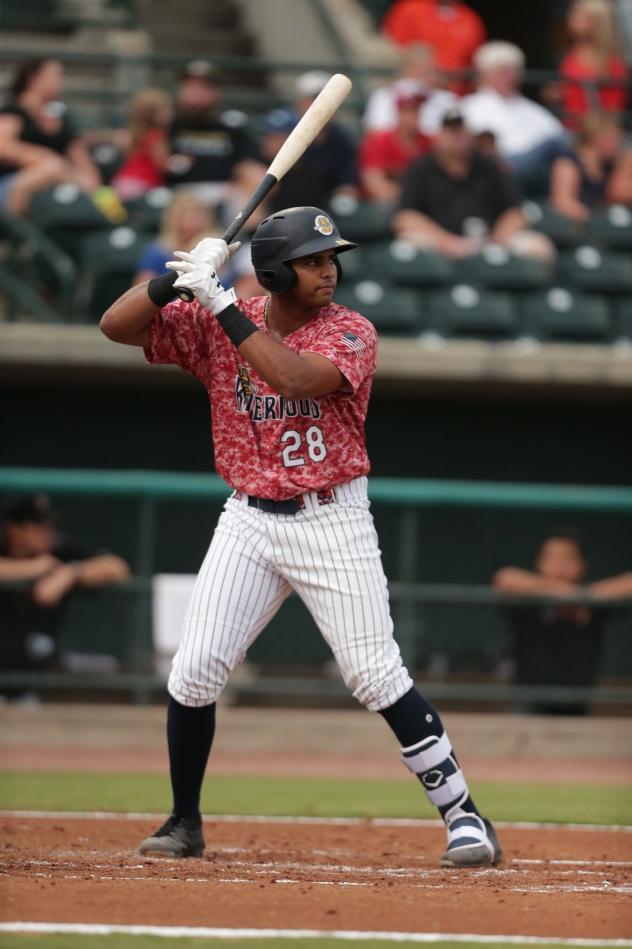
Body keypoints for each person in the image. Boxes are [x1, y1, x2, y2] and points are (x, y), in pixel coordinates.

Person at [100, 206, 503, 869]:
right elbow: (115, 326)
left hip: (330, 516)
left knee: (374, 674)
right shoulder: (218, 312)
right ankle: (184, 820)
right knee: (194, 670)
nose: (328, 271)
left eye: (329, 258)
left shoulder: (350, 330)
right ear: (274, 271)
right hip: (249, 517)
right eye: (313, 261)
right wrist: (172, 279)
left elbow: (291, 376)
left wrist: (221, 302)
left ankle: (465, 816)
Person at [493, 529, 632, 715]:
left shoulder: (591, 604)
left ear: (581, 565)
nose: (559, 566)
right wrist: (564, 593)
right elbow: (505, 578)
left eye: (567, 559)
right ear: (540, 562)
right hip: (530, 703)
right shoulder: (530, 602)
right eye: (552, 558)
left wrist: (583, 597)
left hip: (577, 705)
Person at [0, 494, 130, 686]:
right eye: (36, 526)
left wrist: (70, 572)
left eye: (47, 525)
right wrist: (35, 568)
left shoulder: (59, 549)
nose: (45, 532)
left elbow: (118, 568)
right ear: (13, 529)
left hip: (33, 681)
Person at [393, 108, 554, 261]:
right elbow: (405, 217)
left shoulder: (489, 167)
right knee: (407, 245)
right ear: (438, 135)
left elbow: (515, 212)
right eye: (450, 131)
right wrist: (447, 242)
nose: (456, 137)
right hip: (440, 242)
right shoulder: (420, 169)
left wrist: (497, 240)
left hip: (490, 240)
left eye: (460, 130)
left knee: (538, 246)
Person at [0, 57, 101, 215]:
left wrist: (68, 173)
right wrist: (43, 159)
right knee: (45, 172)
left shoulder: (62, 120)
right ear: (33, 78)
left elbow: (85, 168)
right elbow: (3, 147)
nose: (60, 81)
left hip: (59, 186)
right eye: (54, 75)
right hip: (12, 184)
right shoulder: (14, 111)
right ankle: (13, 234)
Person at [460, 42, 569, 178]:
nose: (508, 77)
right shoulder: (470, 106)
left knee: (566, 142)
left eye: (512, 71)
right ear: (484, 74)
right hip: (501, 164)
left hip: (541, 165)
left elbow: (556, 132)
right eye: (501, 72)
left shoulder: (529, 107)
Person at [167, 59, 263, 206]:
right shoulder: (167, 125)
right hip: (175, 195)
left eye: (204, 87)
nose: (196, 93)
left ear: (216, 92)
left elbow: (249, 166)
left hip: (222, 193)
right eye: (190, 87)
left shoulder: (231, 127)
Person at [133, 190, 259, 299]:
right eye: (193, 214)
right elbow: (142, 293)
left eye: (203, 214)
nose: (200, 220)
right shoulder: (158, 251)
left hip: (216, 313)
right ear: (176, 218)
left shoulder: (219, 246)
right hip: (172, 313)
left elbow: (237, 286)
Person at [262, 72, 358, 213]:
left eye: (326, 99)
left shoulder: (340, 137)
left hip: (322, 203)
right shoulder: (284, 126)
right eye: (313, 99)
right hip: (282, 197)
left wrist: (345, 191)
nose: (320, 105)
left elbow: (346, 181)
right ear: (299, 101)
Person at [382, 0, 486, 88]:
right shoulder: (410, 9)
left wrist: (448, 76)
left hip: (454, 92)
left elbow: (474, 64)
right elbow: (392, 49)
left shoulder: (470, 19)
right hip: (413, 91)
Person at [550, 112, 632, 223]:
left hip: (601, 221)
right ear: (596, 138)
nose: (617, 144)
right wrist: (594, 220)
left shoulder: (609, 164)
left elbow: (618, 193)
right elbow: (562, 202)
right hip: (574, 225)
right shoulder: (568, 163)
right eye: (612, 139)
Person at [558, 0, 629, 128]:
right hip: (570, 128)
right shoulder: (573, 52)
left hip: (593, 135)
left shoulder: (612, 63)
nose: (571, 19)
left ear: (596, 22)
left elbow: (613, 110)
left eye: (578, 15)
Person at [363, 43, 457, 137]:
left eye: (428, 69)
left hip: (435, 149)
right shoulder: (384, 96)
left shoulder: (446, 99)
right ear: (405, 70)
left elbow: (454, 136)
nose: (424, 75)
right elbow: (376, 133)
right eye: (417, 69)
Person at [359, 92, 430, 202]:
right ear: (399, 113)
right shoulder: (381, 140)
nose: (414, 115)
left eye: (417, 110)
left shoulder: (428, 141)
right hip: (382, 205)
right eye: (409, 111)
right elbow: (373, 181)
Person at [111, 88, 173, 201]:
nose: (169, 113)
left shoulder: (135, 135)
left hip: (123, 183)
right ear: (152, 114)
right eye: (165, 109)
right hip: (143, 185)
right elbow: (163, 164)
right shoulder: (156, 136)